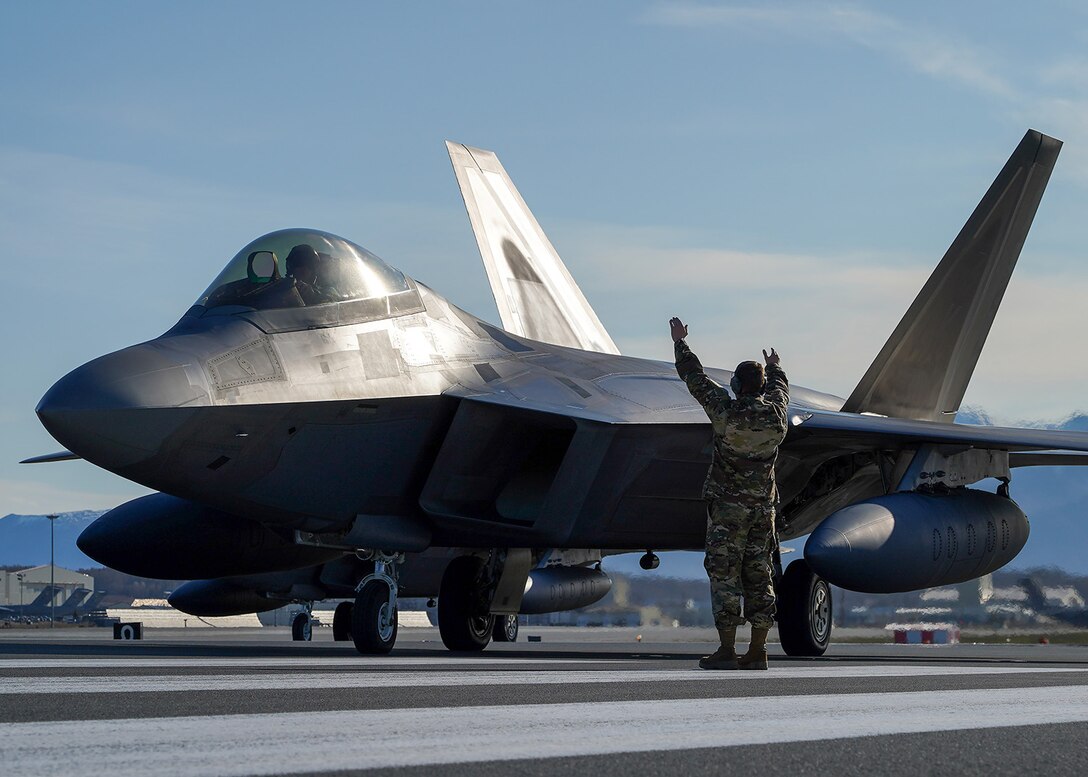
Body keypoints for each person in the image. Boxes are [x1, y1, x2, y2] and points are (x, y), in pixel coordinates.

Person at [669, 316, 789, 670]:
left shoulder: (725, 412)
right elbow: (780, 391)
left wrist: (680, 343)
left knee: (725, 575)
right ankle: (758, 651)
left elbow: (695, 378)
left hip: (728, 511)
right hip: (763, 511)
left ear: (736, 385)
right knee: (760, 574)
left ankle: (726, 649)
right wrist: (775, 367)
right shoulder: (777, 418)